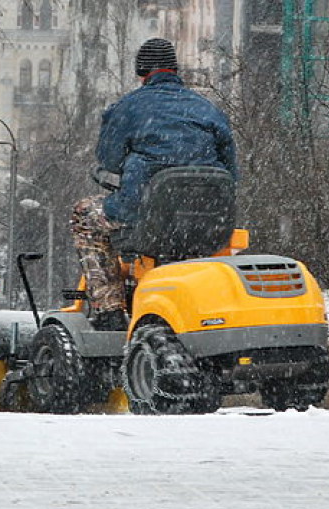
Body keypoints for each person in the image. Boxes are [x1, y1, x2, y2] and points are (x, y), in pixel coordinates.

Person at [71, 38, 238, 331]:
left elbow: (109, 160)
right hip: (209, 218)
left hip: (146, 214)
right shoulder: (208, 109)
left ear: (141, 72)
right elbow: (231, 171)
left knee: (85, 215)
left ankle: (110, 310)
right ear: (175, 69)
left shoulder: (129, 107)